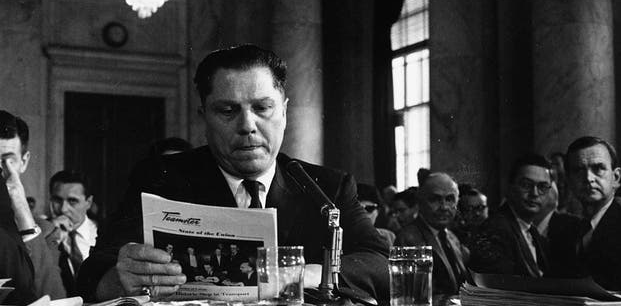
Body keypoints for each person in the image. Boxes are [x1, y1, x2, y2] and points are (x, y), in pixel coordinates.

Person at [77, 44, 389, 303]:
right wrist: (121, 279)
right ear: (204, 118)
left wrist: (307, 273)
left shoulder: (327, 186)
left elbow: (380, 262)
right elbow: (92, 273)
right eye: (228, 111)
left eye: (262, 108)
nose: (247, 126)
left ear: (284, 111)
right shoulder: (160, 178)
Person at [0, 110, 66, 301]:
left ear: (24, 162)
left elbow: (55, 300)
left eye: (6, 160)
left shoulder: (45, 232)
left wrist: (22, 211)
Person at [564, 136, 621, 290]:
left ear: (616, 177)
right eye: (578, 170)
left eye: (598, 168)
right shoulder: (566, 231)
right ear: (569, 180)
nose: (588, 178)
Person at [469, 154, 551, 278]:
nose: (534, 193)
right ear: (511, 188)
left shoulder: (532, 231)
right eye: (526, 185)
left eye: (542, 187)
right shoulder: (495, 229)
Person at [395, 173, 469, 295]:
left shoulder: (452, 238)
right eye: (435, 199)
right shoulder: (408, 239)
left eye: (450, 199)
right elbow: (414, 295)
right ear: (420, 202)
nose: (444, 207)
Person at [49, 170, 98, 296]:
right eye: (57, 200)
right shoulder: (42, 235)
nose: (63, 209)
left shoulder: (104, 233)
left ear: (88, 202)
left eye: (72, 201)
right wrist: (50, 235)